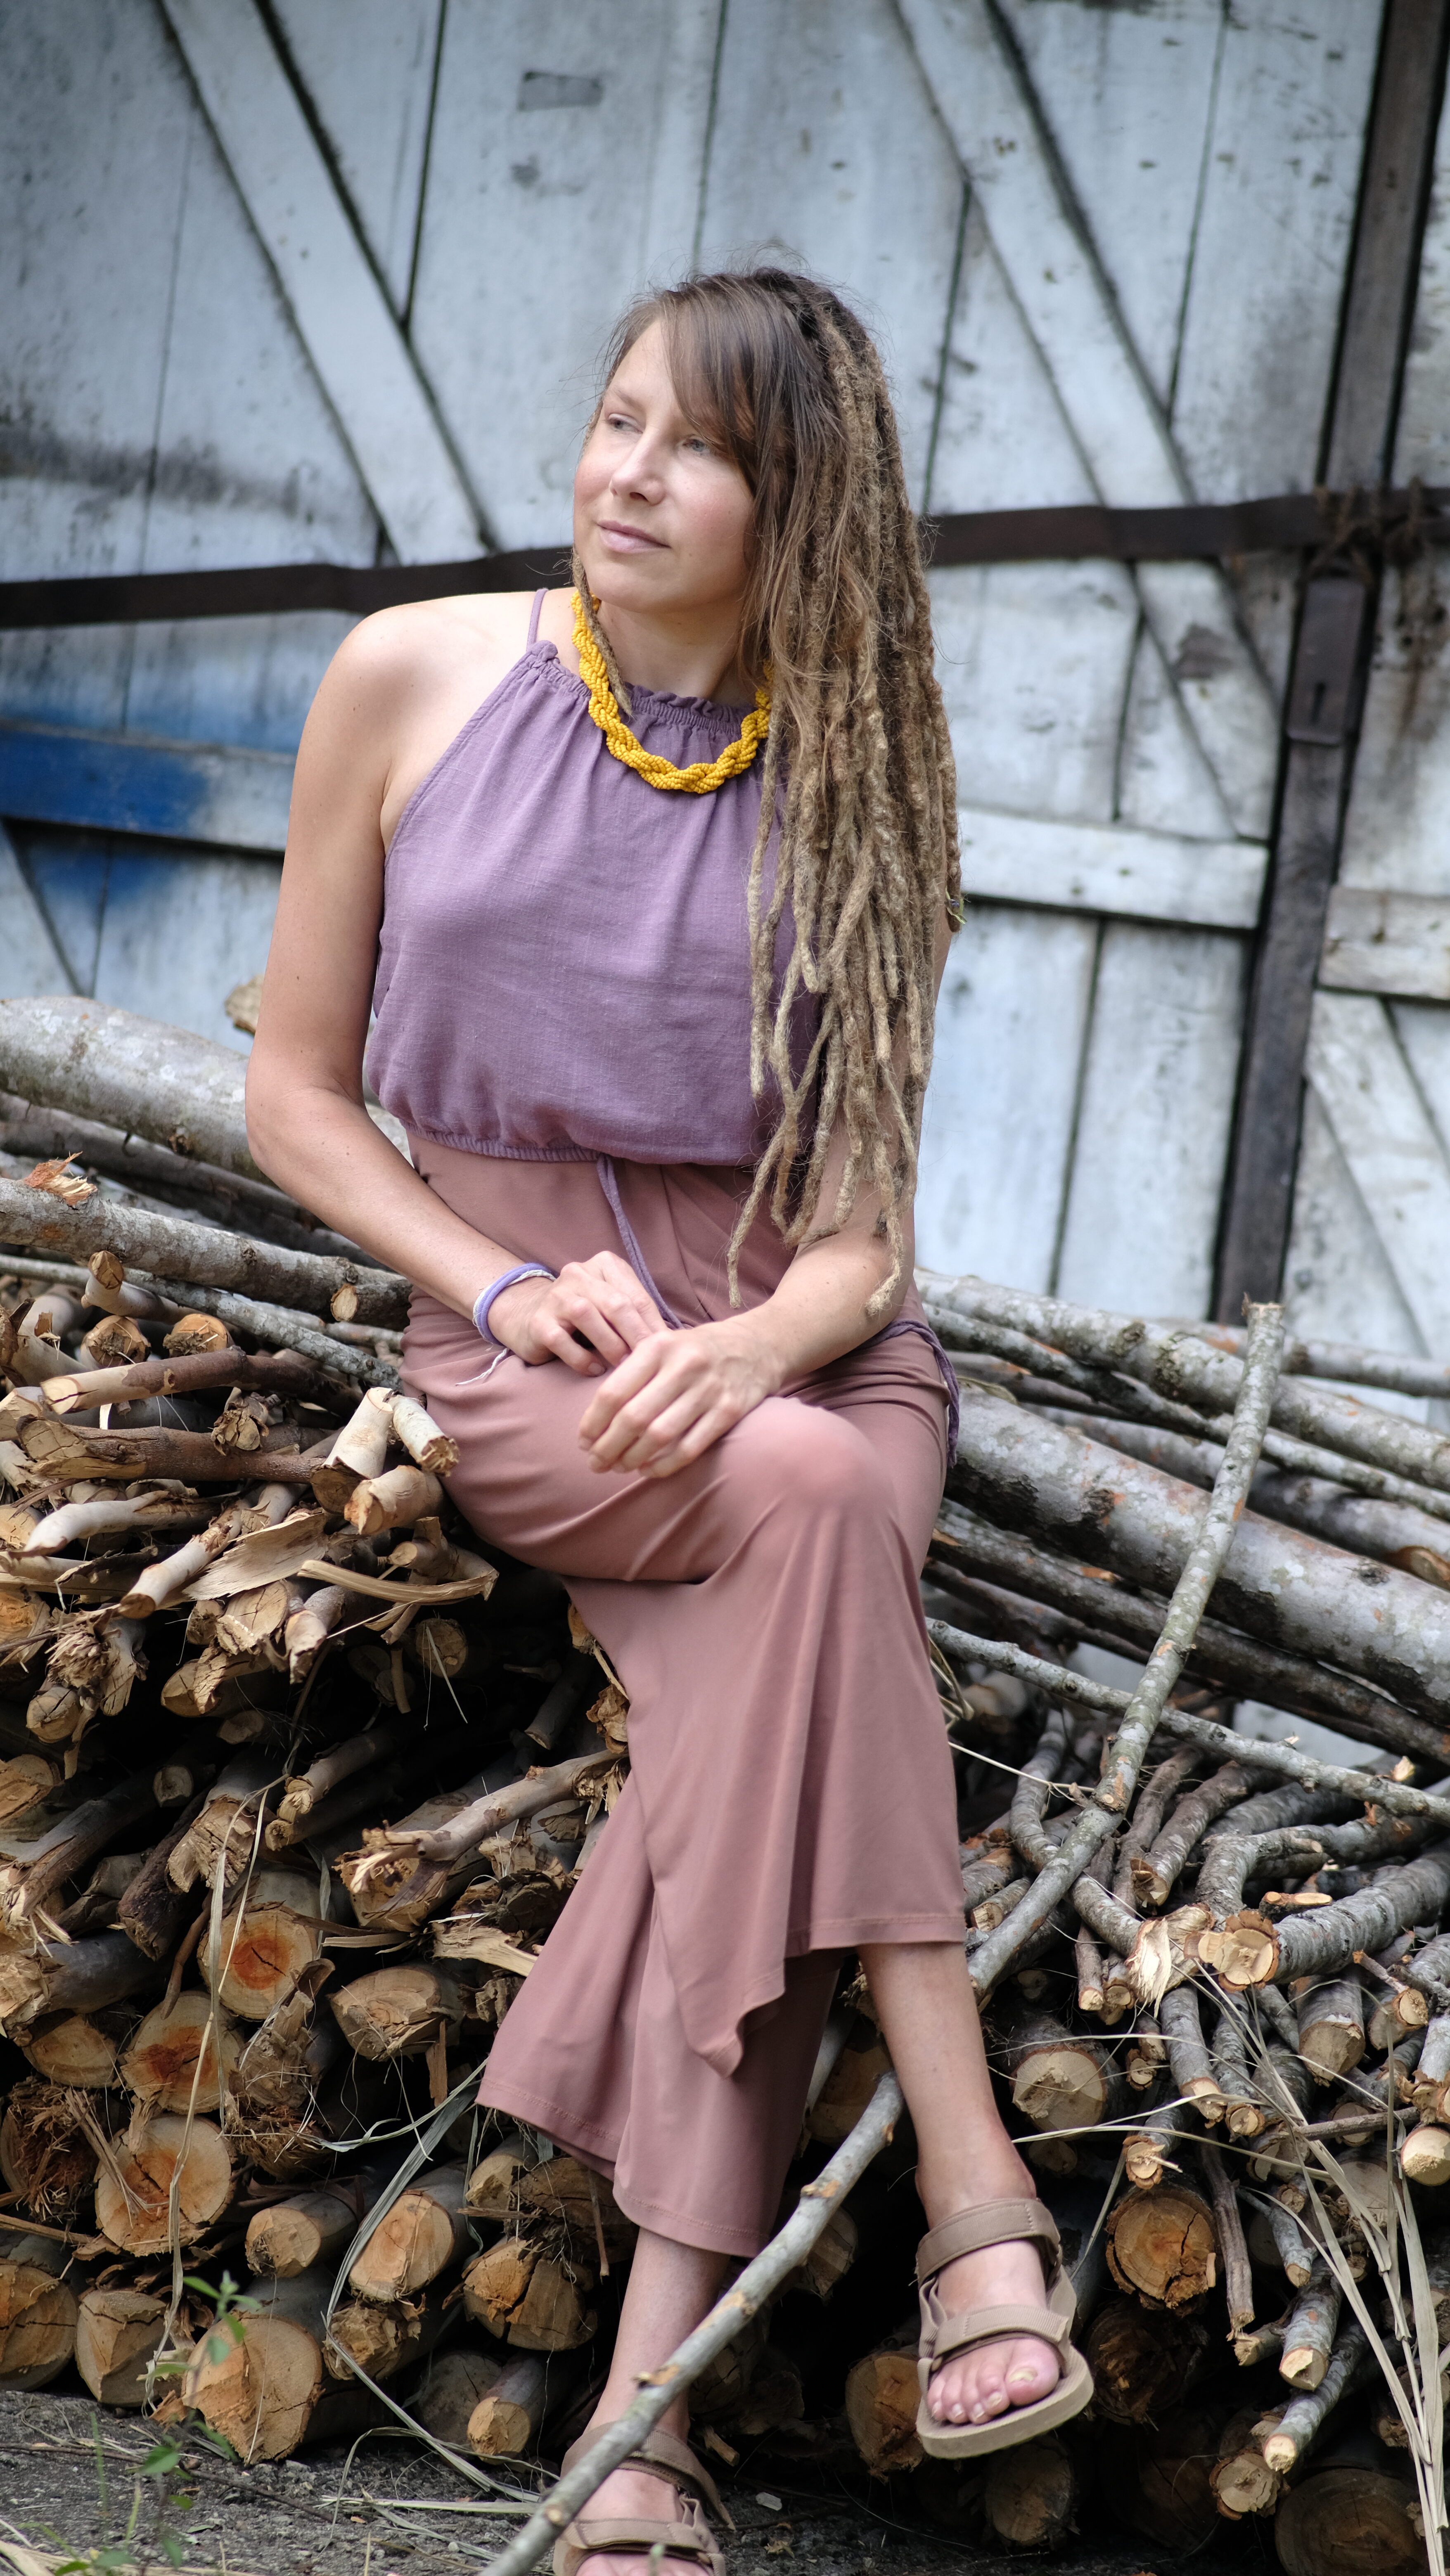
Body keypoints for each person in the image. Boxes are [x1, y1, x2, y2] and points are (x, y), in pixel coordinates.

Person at [246, 266, 1090, 2576]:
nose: (626, 474)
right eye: (617, 419)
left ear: (795, 504)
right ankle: (976, 2201)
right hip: (526, 1352)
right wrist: (503, 1289)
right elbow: (296, 1098)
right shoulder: (412, 676)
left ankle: (641, 2427)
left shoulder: (867, 778)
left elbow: (861, 1247)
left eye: (694, 447)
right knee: (814, 1539)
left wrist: (755, 1353)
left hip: (798, 1367)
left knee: (800, 1538)